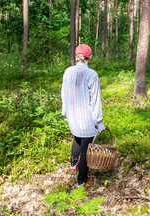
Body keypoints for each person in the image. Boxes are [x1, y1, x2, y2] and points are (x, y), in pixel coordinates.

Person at [61, 44, 105, 188]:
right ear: (89, 57)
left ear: (76, 55)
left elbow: (64, 94)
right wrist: (99, 123)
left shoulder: (68, 72)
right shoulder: (92, 74)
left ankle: (73, 165)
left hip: (73, 116)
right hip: (87, 119)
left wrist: (65, 113)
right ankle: (81, 182)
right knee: (86, 150)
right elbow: (96, 101)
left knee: (77, 137)